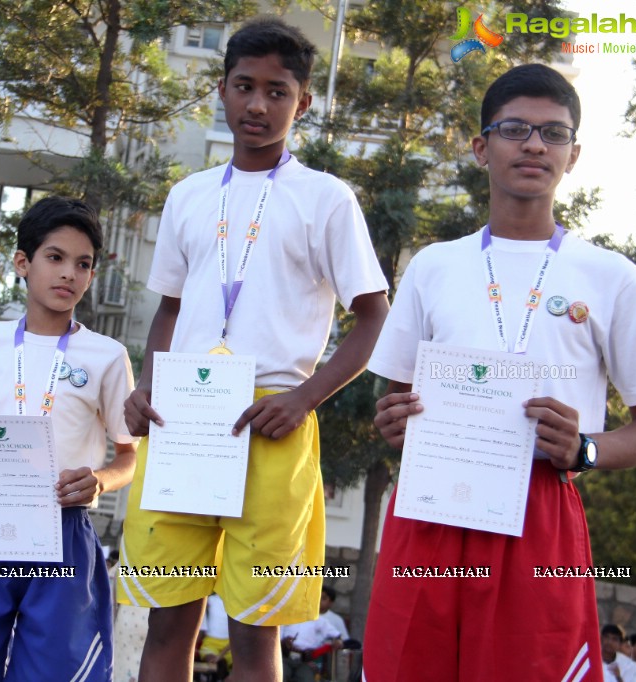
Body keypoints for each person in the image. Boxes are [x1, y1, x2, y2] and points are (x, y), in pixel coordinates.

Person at [364, 63, 636, 682]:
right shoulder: (435, 265)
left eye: (554, 134)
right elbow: (394, 398)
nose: (535, 145)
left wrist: (585, 448)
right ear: (482, 147)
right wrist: (395, 422)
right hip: (433, 502)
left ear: (574, 154)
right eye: (515, 129)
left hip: (537, 511)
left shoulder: (610, 276)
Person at [118, 16, 389, 682]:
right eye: (244, 86)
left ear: (302, 102)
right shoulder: (187, 196)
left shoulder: (325, 199)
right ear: (222, 89)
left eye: (276, 91)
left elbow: (373, 315)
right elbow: (170, 310)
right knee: (166, 621)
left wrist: (303, 398)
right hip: (183, 419)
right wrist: (149, 385)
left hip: (271, 418)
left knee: (252, 633)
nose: (258, 105)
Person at [0, 196, 137, 682]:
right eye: (55, 257)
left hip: (62, 531)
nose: (69, 274)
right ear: (23, 263)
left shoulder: (106, 355)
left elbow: (130, 454)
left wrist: (100, 482)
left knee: (54, 670)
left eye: (82, 264)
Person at [280, 615, 342, 682]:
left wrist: (337, 641)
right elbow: (276, 638)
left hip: (305, 660)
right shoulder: (286, 616)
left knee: (306, 678)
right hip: (285, 658)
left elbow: (336, 635)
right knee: (279, 676)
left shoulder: (316, 619)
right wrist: (284, 642)